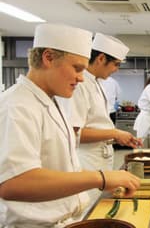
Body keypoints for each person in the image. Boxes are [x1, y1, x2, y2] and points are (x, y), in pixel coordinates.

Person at [0, 24, 140, 227]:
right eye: (77, 68)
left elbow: (60, 168)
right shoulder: (17, 106)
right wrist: (100, 178)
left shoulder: (49, 101)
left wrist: (109, 177)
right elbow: (13, 183)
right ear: (48, 58)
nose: (81, 78)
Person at [63, 33, 142, 174]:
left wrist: (116, 137)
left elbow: (96, 123)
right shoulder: (80, 85)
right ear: (101, 58)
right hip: (87, 161)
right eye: (116, 64)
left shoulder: (96, 82)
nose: (116, 69)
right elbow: (73, 133)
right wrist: (114, 133)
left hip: (100, 158)